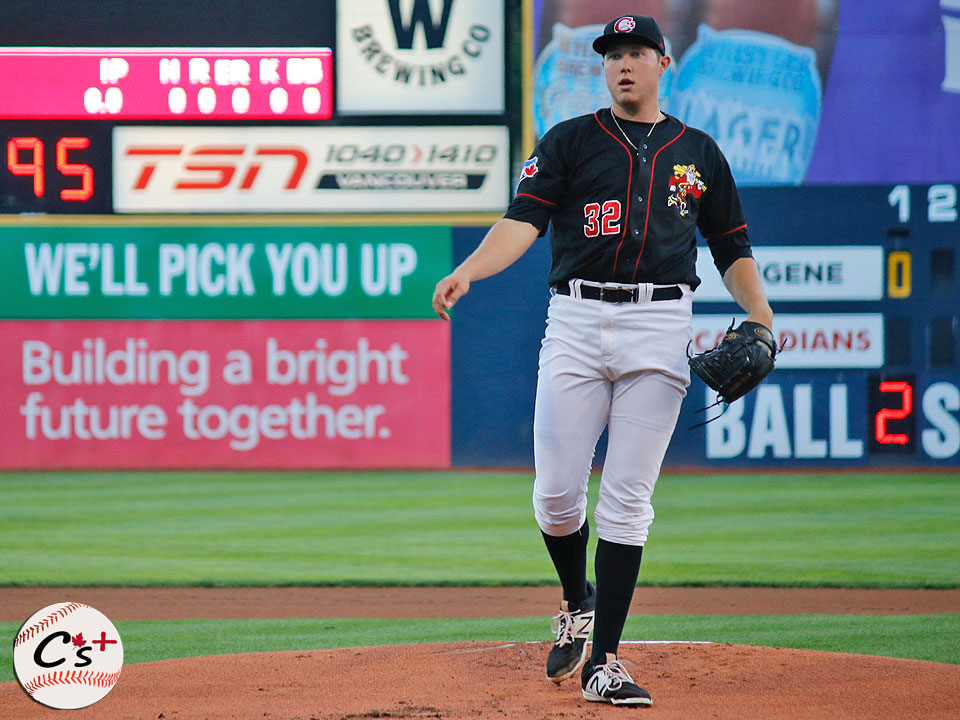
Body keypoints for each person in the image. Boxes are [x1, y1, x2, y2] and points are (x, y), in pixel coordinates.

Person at [432, 14, 773, 707]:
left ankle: (606, 660)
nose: (623, 64)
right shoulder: (570, 141)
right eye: (613, 54)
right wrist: (471, 269)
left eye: (637, 52)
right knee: (556, 496)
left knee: (626, 503)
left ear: (664, 62)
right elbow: (522, 220)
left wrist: (760, 314)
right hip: (578, 320)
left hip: (660, 323)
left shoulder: (698, 153)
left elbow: (731, 247)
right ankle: (575, 597)